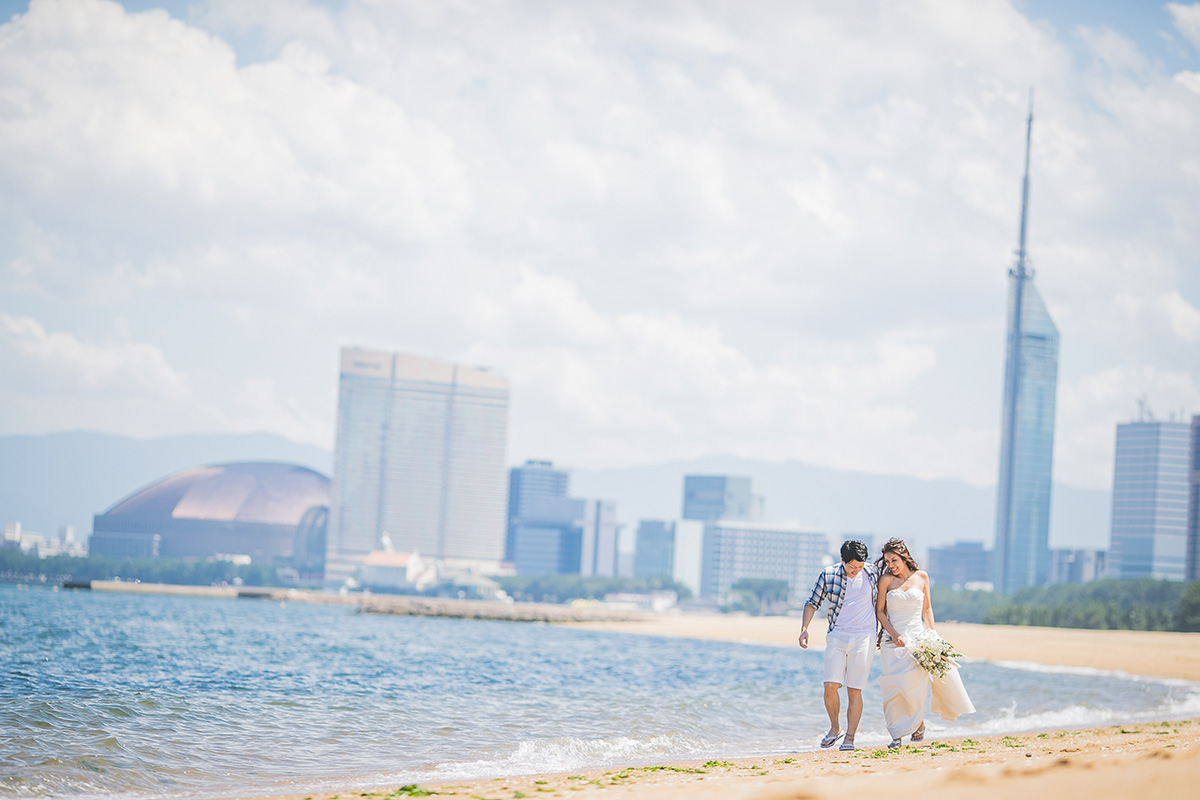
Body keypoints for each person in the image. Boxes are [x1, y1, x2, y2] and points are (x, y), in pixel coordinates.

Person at [875, 538, 975, 749]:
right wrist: (892, 633)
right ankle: (896, 735)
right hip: (891, 642)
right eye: (887, 561)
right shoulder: (885, 580)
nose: (890, 565)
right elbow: (880, 612)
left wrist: (933, 635)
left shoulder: (922, 577)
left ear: (904, 557)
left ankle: (917, 723)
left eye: (894, 560)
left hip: (918, 640)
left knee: (914, 687)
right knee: (894, 688)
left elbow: (927, 609)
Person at [798, 540, 878, 752]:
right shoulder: (829, 575)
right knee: (830, 685)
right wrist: (804, 628)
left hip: (864, 637)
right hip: (837, 636)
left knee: (854, 689)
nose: (856, 571)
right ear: (842, 561)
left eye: (860, 567)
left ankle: (850, 738)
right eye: (852, 567)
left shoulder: (873, 573)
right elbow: (812, 602)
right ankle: (835, 728)